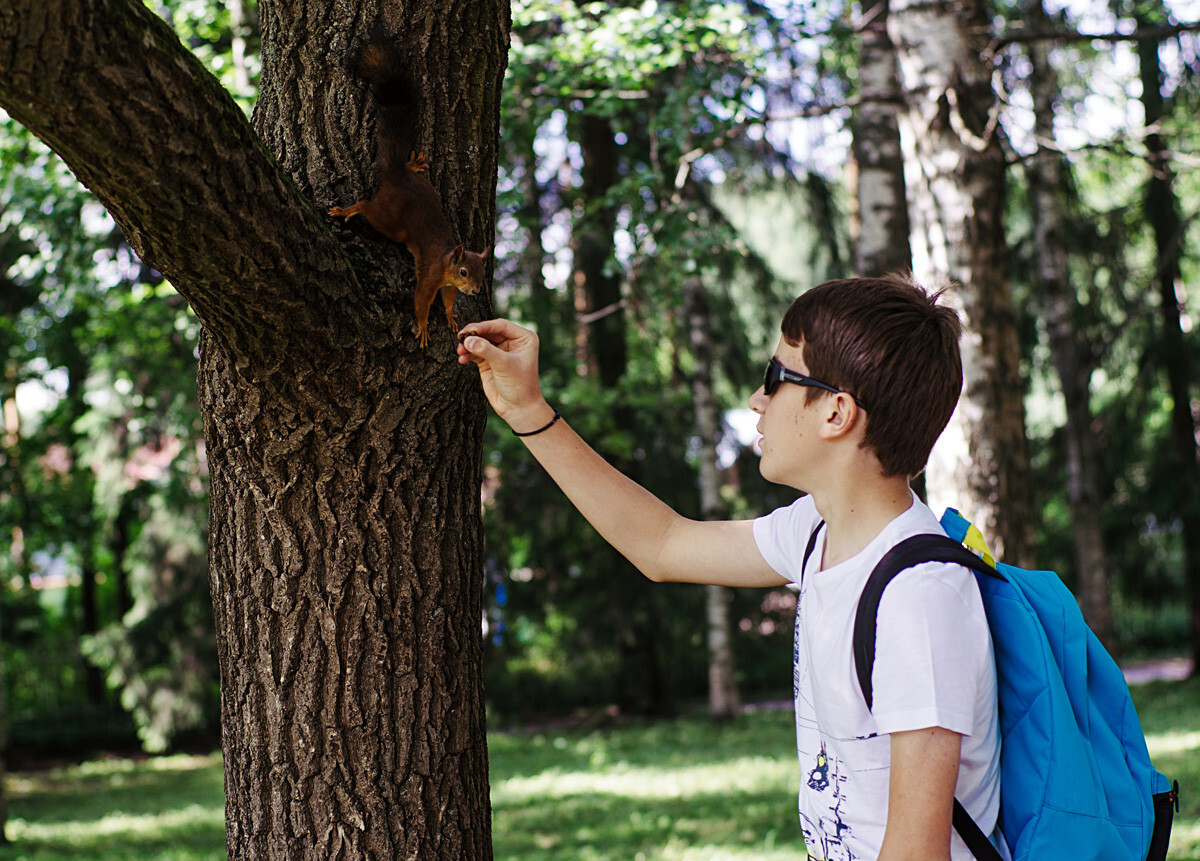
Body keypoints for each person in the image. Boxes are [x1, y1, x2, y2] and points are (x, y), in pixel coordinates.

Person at [457, 274, 1003, 861]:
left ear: (837, 413)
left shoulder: (919, 597)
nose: (755, 400)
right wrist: (528, 411)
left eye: (777, 379)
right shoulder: (816, 531)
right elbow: (662, 545)